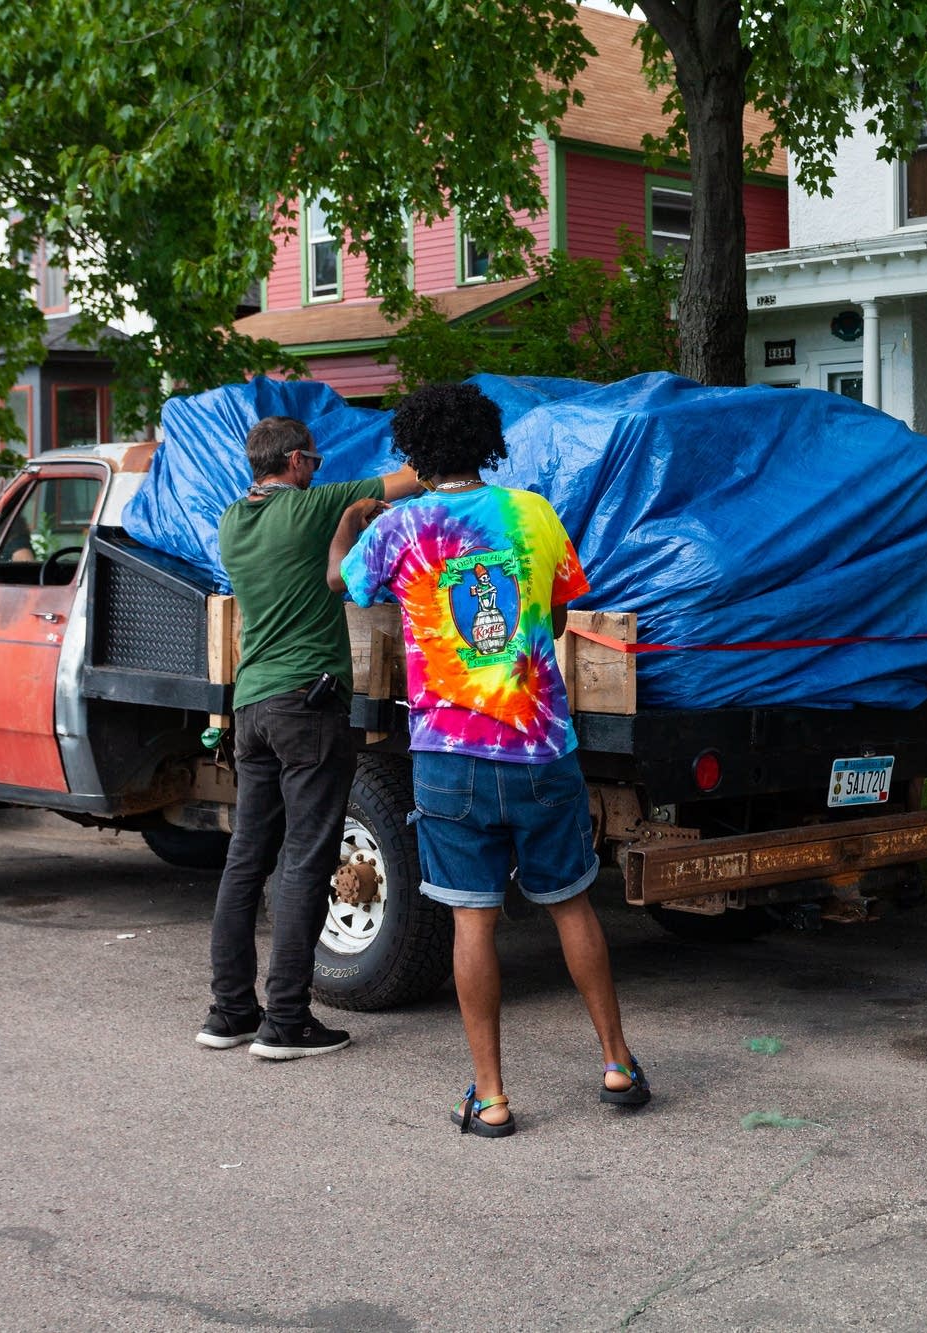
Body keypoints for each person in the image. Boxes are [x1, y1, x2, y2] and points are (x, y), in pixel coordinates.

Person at [333, 382, 648, 1138]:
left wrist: (348, 518)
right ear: (487, 444)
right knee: (571, 903)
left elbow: (342, 583)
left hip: (448, 758)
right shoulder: (532, 514)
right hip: (541, 746)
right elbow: (567, 608)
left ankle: (492, 1096)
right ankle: (617, 1064)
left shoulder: (401, 526)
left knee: (472, 921)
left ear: (412, 453)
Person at [197, 418, 421, 1058]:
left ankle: (230, 1012)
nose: (318, 470)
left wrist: (347, 512)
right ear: (294, 460)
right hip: (309, 702)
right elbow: (410, 479)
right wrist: (358, 509)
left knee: (246, 860)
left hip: (253, 704)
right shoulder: (312, 506)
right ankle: (287, 1023)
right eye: (314, 461)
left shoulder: (232, 520)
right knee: (306, 860)